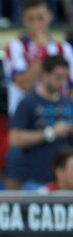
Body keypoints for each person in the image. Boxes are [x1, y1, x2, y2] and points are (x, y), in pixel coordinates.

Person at [7, 55, 73, 188]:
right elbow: (14, 138)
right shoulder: (28, 103)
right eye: (58, 77)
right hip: (35, 179)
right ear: (44, 75)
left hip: (63, 182)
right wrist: (50, 133)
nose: (62, 82)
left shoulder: (68, 103)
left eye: (65, 78)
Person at [4, 0, 73, 117]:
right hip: (25, 117)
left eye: (40, 18)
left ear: (50, 16)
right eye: (30, 19)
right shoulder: (14, 47)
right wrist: (40, 52)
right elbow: (25, 85)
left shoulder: (64, 48)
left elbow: (71, 88)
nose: (36, 24)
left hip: (59, 115)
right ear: (24, 20)